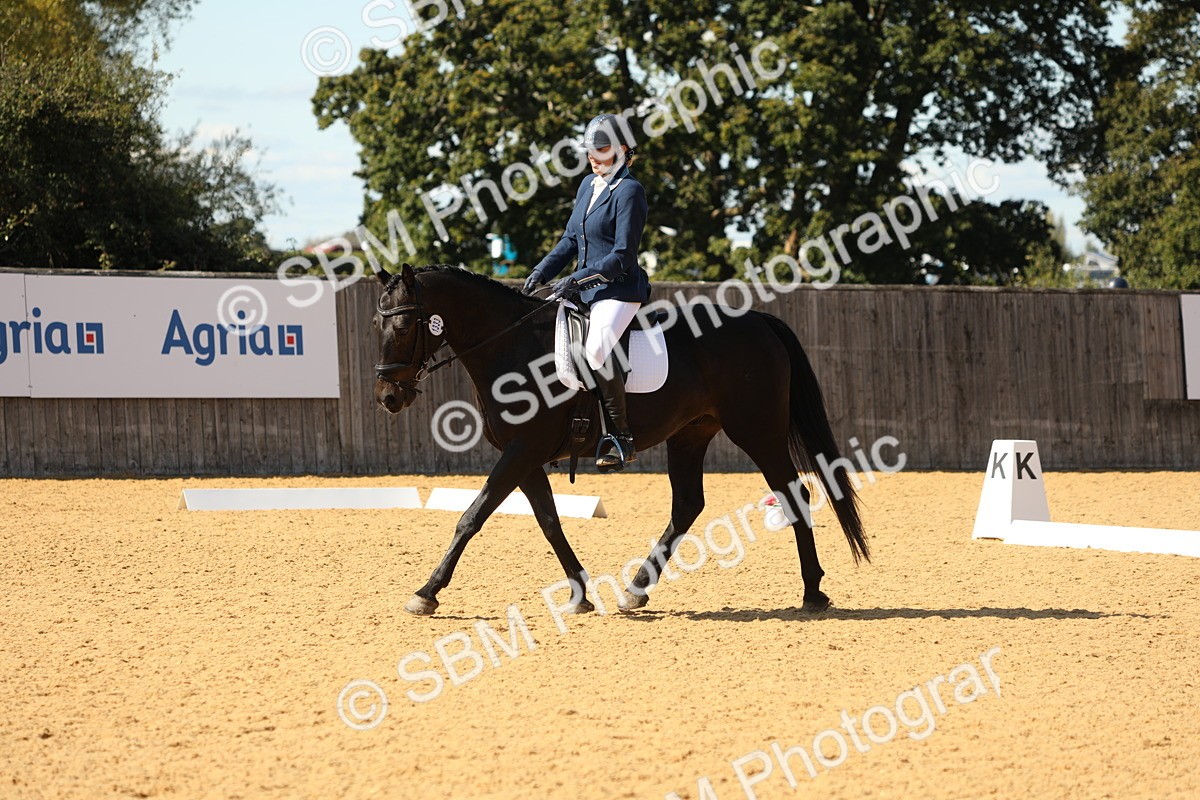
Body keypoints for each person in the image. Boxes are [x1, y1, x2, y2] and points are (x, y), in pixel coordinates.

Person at [523, 113, 650, 470]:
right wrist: (541, 270)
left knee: (594, 351)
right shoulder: (587, 186)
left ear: (624, 150)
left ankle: (621, 438)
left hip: (619, 291)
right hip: (584, 290)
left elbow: (622, 255)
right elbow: (569, 240)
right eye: (590, 152)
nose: (593, 158)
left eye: (602, 151)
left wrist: (578, 280)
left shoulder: (629, 191)